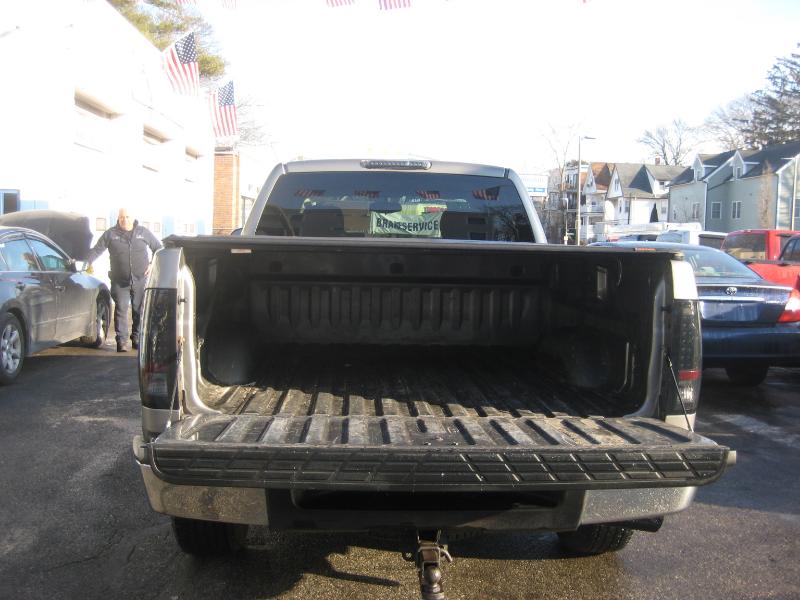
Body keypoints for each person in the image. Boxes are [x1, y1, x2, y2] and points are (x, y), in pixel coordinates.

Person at [87, 208, 162, 352]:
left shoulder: (142, 232)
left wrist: (153, 264)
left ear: (132, 217)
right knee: (121, 309)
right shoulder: (110, 234)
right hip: (119, 280)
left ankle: (137, 338)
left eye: (127, 217)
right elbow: (96, 250)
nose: (124, 220)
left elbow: (158, 248)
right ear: (118, 218)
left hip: (140, 279)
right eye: (122, 217)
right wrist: (85, 263)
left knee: (138, 309)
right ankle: (121, 341)